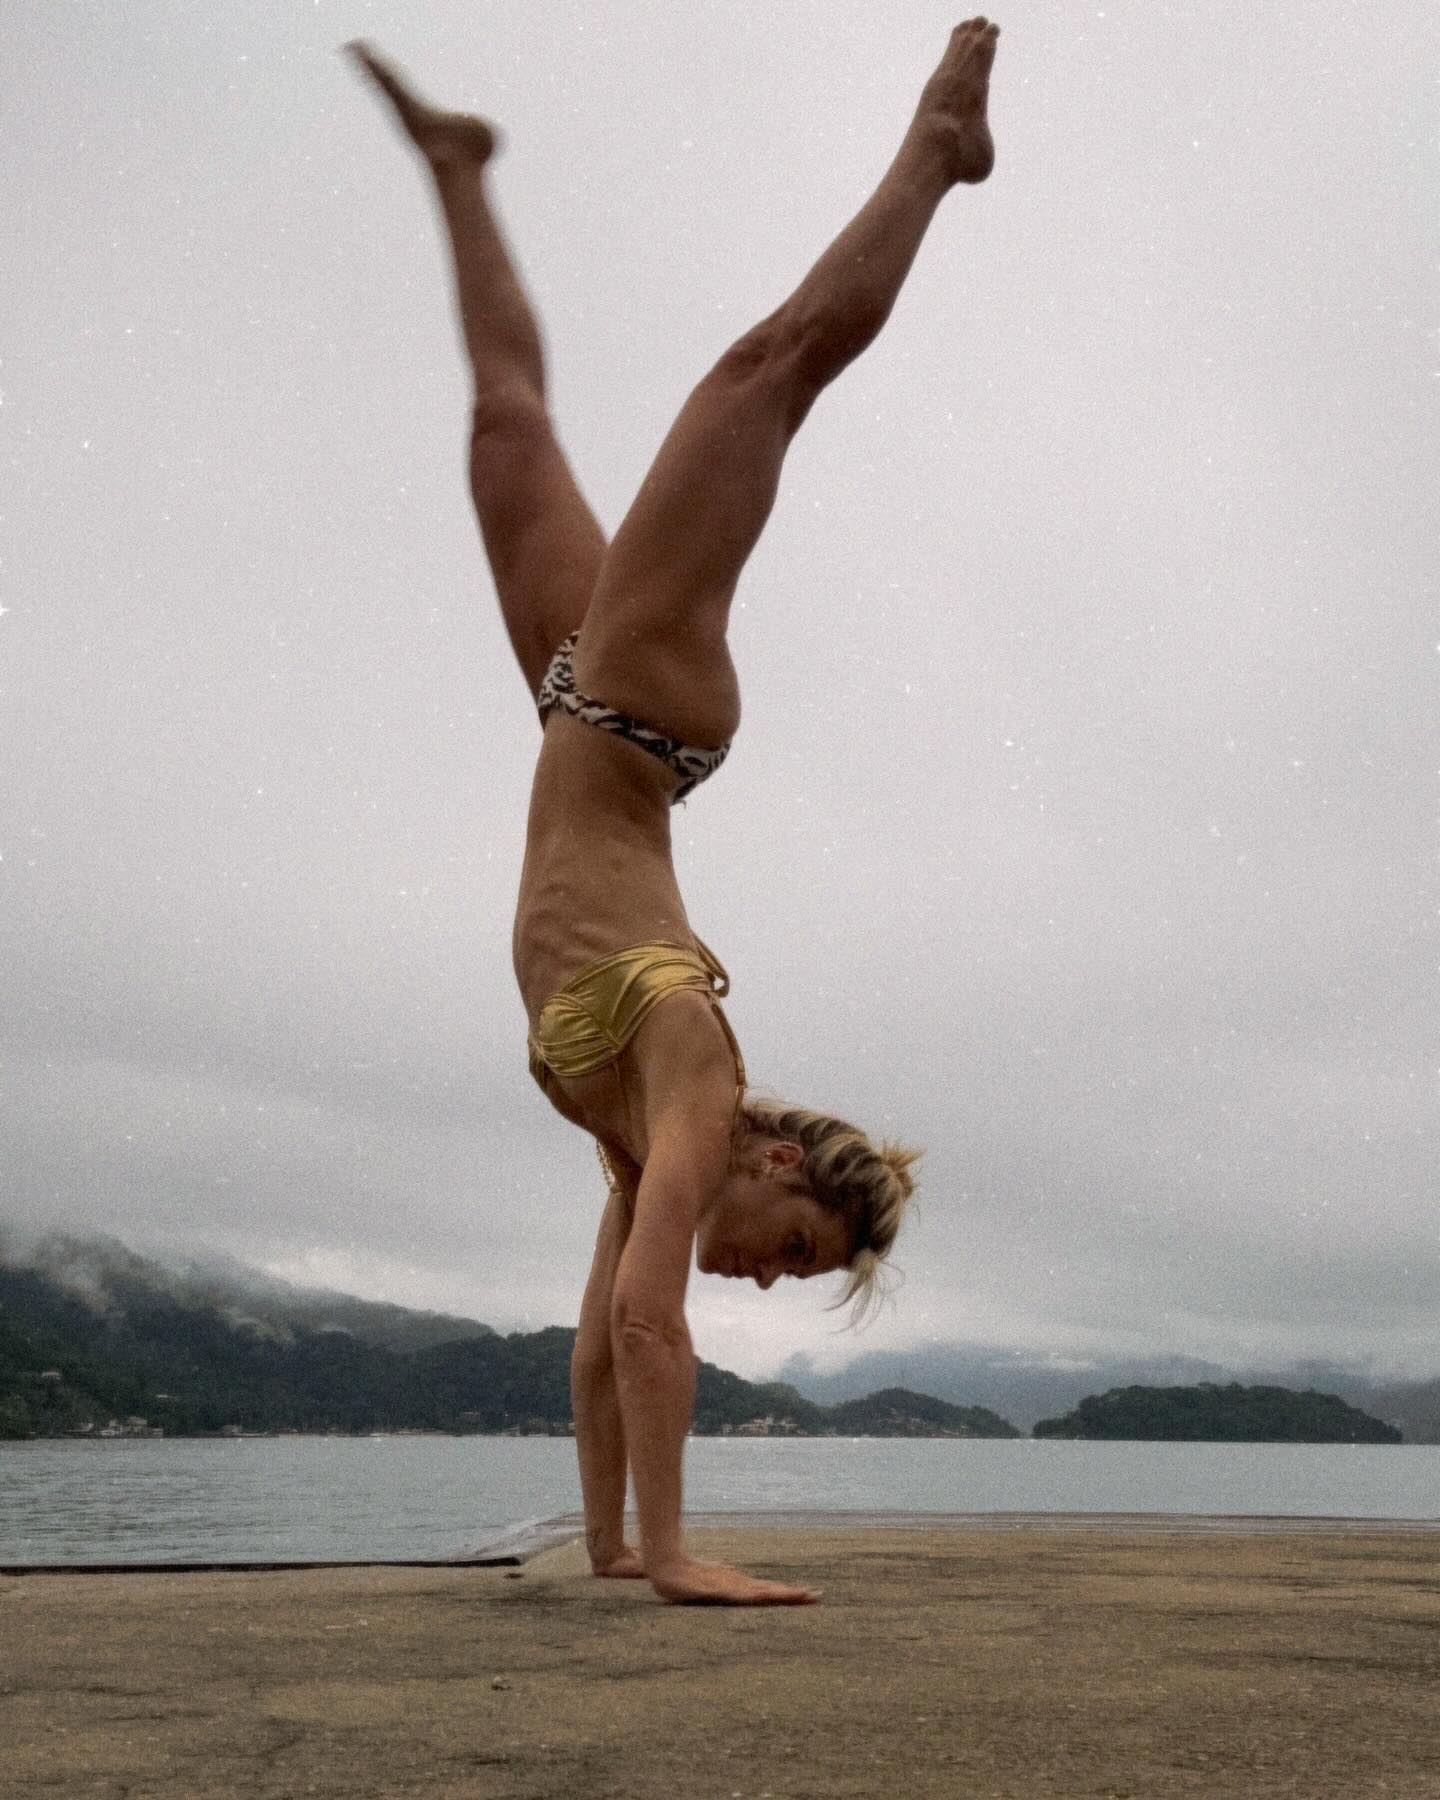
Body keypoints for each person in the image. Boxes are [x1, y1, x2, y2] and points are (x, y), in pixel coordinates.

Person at [348, 19, 999, 1605]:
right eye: (792, 1248)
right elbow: (653, 1328)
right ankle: (937, 152)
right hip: (645, 710)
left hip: (579, 705)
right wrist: (684, 1560)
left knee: (507, 424)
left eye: (781, 1277)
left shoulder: (641, 1148)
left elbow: (594, 1340)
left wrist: (612, 1548)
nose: (760, 1272)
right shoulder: (698, 1073)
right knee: (763, 372)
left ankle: (459, 169)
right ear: (777, 1153)